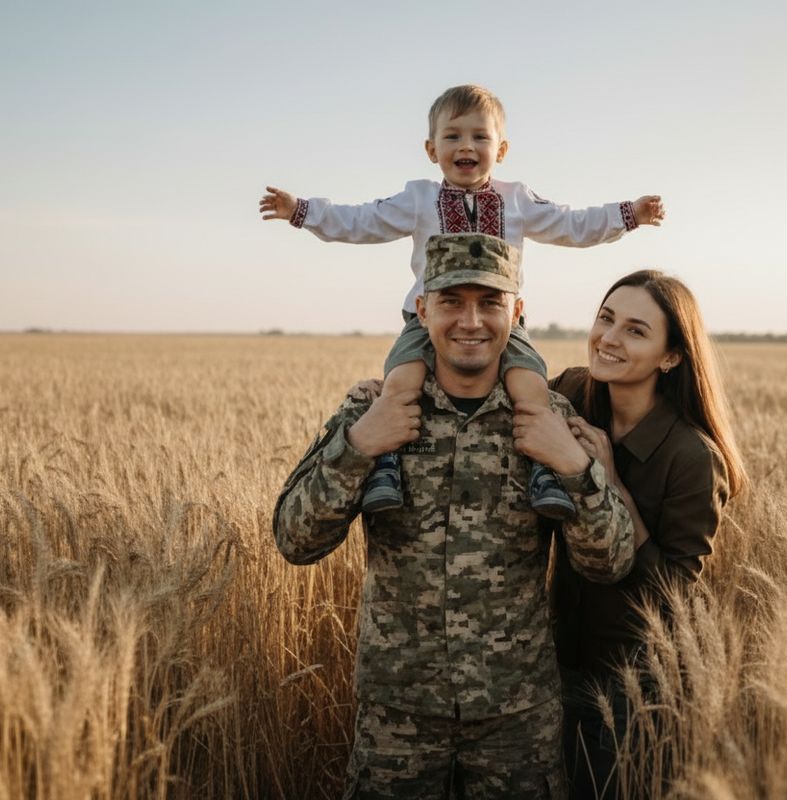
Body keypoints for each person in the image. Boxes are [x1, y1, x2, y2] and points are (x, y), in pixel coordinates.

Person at [273, 233, 637, 799]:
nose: (471, 321)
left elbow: (608, 561)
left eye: (490, 302)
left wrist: (570, 463)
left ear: (515, 314)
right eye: (451, 302)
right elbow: (294, 538)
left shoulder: (549, 417)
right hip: (397, 716)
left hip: (516, 718)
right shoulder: (372, 412)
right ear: (422, 311)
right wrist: (360, 446)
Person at [261, 84, 665, 521]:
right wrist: (301, 210)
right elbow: (361, 221)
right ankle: (386, 467)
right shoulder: (417, 199)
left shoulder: (517, 199)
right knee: (401, 383)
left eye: (480, 136)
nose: (466, 145)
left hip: (504, 324)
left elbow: (572, 223)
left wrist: (628, 215)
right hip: (427, 321)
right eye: (453, 136)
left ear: (502, 149)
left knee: (531, 387)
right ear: (432, 149)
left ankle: (543, 472)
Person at [551, 269, 748, 799]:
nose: (609, 338)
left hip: (636, 687)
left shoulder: (692, 458)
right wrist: (395, 384)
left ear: (671, 357)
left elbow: (674, 594)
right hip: (556, 664)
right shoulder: (572, 391)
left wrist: (610, 483)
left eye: (636, 330)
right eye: (606, 318)